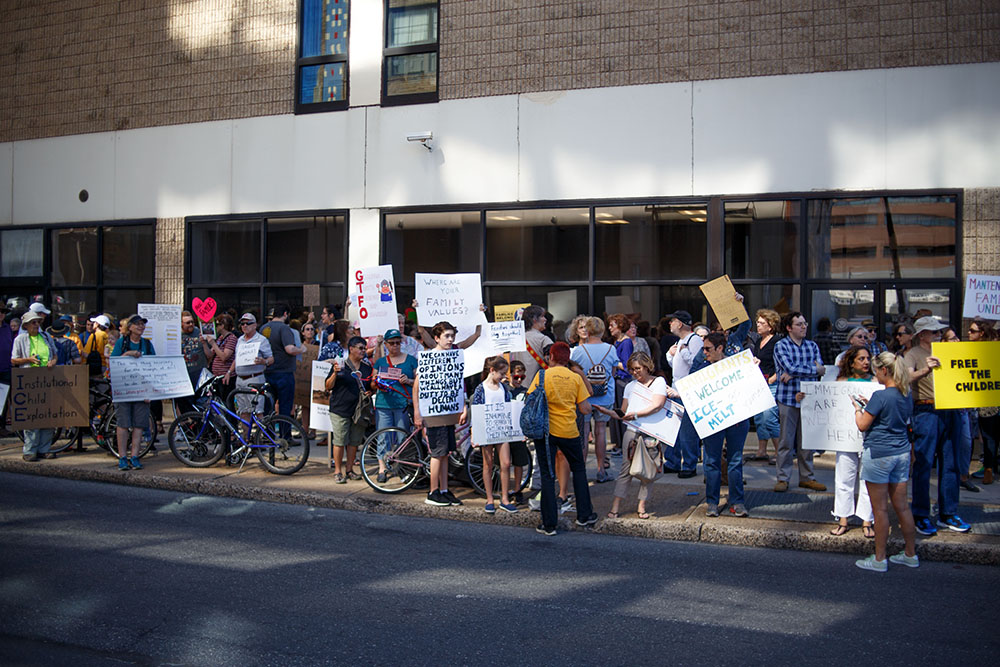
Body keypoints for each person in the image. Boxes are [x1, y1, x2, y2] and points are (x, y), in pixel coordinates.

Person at [852, 352, 919, 572]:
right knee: (902, 507)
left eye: (875, 370)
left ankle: (880, 559)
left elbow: (862, 424)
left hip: (879, 453)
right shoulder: (906, 393)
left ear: (884, 371)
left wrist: (858, 408)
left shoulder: (881, 396)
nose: (875, 375)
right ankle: (910, 554)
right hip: (901, 453)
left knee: (879, 510)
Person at [903, 316, 969, 535]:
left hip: (950, 408)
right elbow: (904, 378)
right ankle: (921, 514)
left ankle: (947, 512)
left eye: (939, 332)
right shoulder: (912, 354)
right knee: (923, 462)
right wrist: (926, 370)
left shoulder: (948, 351)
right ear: (922, 335)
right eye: (934, 332)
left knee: (951, 464)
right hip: (926, 410)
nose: (938, 335)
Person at [527, 341, 598, 535]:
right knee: (579, 470)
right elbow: (585, 408)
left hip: (545, 433)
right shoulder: (574, 378)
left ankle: (549, 524)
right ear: (567, 359)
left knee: (548, 476)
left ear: (551, 357)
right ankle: (585, 515)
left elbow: (530, 400)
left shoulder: (541, 376)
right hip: (569, 431)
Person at [596, 351, 674, 519]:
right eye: (632, 369)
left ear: (647, 367)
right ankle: (616, 507)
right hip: (633, 431)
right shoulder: (631, 386)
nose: (635, 372)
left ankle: (641, 506)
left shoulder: (659, 382)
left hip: (652, 433)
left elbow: (657, 405)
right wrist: (608, 412)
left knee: (648, 471)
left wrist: (636, 414)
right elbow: (624, 413)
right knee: (626, 469)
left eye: (638, 368)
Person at [413, 321, 480, 507]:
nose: (451, 340)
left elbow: (458, 384)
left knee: (446, 453)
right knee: (437, 453)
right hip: (433, 413)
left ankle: (443, 489)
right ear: (436, 338)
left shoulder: (454, 356)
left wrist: (463, 407)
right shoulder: (428, 357)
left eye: (452, 336)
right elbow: (416, 386)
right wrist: (417, 412)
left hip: (449, 411)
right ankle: (433, 491)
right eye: (447, 336)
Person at [693, 333, 752, 517]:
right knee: (711, 461)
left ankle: (737, 502)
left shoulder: (736, 366)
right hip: (713, 421)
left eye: (708, 349)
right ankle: (712, 502)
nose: (705, 352)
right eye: (703, 348)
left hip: (737, 421)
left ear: (720, 348)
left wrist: (753, 369)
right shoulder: (702, 369)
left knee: (735, 460)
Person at [773, 311, 827, 492]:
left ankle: (807, 477)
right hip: (788, 399)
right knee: (785, 442)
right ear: (789, 328)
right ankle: (783, 478)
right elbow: (790, 367)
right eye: (799, 324)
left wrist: (795, 372)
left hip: (808, 399)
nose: (804, 327)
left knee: (807, 443)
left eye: (805, 323)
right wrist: (810, 369)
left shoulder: (812, 345)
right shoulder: (781, 345)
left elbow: (821, 369)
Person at [828, 345, 875, 537]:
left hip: (869, 437)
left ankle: (867, 520)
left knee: (867, 479)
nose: (866, 362)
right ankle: (843, 519)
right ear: (851, 361)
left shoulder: (875, 382)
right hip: (845, 438)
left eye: (867, 358)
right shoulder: (841, 382)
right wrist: (805, 398)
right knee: (843, 478)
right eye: (861, 359)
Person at [569, 315, 616, 483]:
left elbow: (574, 373)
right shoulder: (611, 349)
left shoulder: (578, 351)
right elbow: (614, 371)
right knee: (601, 431)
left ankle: (580, 471)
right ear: (603, 331)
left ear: (587, 331)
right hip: (605, 395)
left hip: (584, 396)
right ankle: (601, 469)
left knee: (583, 432)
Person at [470, 356, 519, 514]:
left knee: (505, 463)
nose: (504, 376)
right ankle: (490, 498)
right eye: (502, 373)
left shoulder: (503, 388)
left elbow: (509, 407)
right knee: (488, 464)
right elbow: (476, 412)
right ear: (492, 371)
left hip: (501, 428)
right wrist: (474, 433)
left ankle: (504, 498)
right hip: (486, 429)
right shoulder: (481, 388)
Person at [10, 311, 59, 460]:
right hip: (30, 382)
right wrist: (28, 360)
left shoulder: (45, 337)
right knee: (32, 416)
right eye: (33, 322)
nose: (37, 325)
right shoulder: (20, 339)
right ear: (26, 325)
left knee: (47, 415)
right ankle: (30, 450)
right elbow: (13, 360)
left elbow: (55, 354)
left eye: (38, 322)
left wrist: (53, 362)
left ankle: (44, 448)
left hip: (47, 380)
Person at [371, 328, 417, 483]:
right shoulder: (380, 362)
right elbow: (372, 382)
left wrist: (409, 381)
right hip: (384, 404)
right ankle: (382, 467)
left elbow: (419, 381)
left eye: (398, 342)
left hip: (403, 404)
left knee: (403, 437)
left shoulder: (411, 360)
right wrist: (377, 381)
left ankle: (401, 466)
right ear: (386, 344)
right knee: (383, 436)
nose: (395, 346)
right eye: (392, 343)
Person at [325, 335, 373, 484]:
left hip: (358, 410)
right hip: (340, 408)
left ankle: (350, 469)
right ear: (351, 349)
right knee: (339, 440)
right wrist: (334, 373)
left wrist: (370, 392)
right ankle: (338, 471)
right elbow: (328, 386)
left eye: (364, 348)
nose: (363, 351)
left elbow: (370, 386)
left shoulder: (367, 368)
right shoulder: (340, 365)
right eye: (360, 348)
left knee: (354, 442)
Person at [110, 314, 155, 471]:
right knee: (123, 423)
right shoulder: (122, 343)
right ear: (129, 327)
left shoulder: (148, 345)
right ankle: (123, 457)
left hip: (141, 390)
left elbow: (153, 367)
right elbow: (114, 363)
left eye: (142, 324)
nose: (141, 327)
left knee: (139, 424)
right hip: (124, 389)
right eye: (137, 324)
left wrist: (150, 392)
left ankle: (135, 456)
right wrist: (128, 354)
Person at [664, 309, 703, 477]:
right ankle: (672, 461)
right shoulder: (681, 341)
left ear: (679, 323)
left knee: (687, 431)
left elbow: (696, 364)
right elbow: (678, 366)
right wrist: (671, 355)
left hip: (686, 392)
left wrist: (683, 352)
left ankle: (689, 464)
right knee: (674, 430)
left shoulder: (694, 340)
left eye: (672, 321)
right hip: (676, 389)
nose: (670, 324)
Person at [225, 313, 274, 439]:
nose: (245, 326)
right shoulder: (240, 340)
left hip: (255, 377)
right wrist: (229, 372)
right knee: (243, 411)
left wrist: (263, 361)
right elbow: (237, 358)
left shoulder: (261, 340)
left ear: (255, 325)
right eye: (242, 323)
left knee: (258, 411)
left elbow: (271, 358)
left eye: (248, 323)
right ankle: (246, 440)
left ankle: (264, 439)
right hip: (240, 379)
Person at [261, 304, 307, 430]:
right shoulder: (285, 328)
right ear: (285, 314)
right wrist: (301, 349)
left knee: (268, 407)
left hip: (267, 371)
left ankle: (267, 435)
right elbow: (290, 349)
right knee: (285, 407)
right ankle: (285, 436)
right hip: (284, 372)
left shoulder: (263, 328)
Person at [749, 308, 781, 463]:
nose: (758, 325)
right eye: (757, 322)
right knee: (759, 418)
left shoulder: (777, 341)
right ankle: (762, 450)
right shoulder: (758, 342)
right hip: (758, 384)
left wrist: (774, 378)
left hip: (772, 383)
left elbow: (781, 364)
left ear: (770, 325)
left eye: (762, 323)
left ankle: (779, 451)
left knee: (770, 417)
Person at [969, 319, 998, 484]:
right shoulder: (967, 349)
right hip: (975, 400)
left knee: (988, 436)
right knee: (981, 437)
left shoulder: (992, 350)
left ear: (982, 334)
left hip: (989, 401)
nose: (969, 333)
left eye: (973, 331)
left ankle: (989, 468)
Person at [504, 359, 531, 504]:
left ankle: (517, 489)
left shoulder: (524, 392)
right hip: (505, 432)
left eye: (522, 377)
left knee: (519, 463)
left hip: (518, 432)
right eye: (516, 377)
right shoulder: (503, 389)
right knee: (505, 464)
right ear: (509, 376)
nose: (519, 380)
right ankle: (505, 489)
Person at [178, 310, 211, 413]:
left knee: (201, 404)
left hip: (199, 375)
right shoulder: (176, 335)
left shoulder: (200, 332)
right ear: (181, 324)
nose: (191, 324)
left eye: (192, 322)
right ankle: (183, 426)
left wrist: (204, 344)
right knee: (184, 404)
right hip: (184, 376)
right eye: (188, 323)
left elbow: (209, 355)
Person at [511, 305, 553, 386]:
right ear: (534, 319)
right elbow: (555, 362)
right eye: (542, 316)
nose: (545, 319)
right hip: (536, 388)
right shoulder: (543, 339)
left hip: (518, 386)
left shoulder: (516, 338)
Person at [205, 314, 237, 403]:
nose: (215, 327)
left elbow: (224, 357)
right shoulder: (220, 338)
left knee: (226, 402)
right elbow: (210, 354)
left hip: (226, 377)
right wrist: (204, 344)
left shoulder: (231, 338)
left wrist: (213, 344)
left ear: (222, 326)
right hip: (217, 377)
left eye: (217, 324)